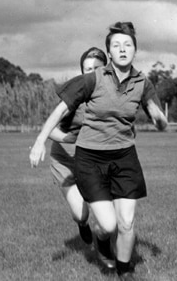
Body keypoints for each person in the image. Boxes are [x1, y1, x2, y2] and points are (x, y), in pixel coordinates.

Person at [30, 22, 167, 281]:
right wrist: (39, 141)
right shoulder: (92, 79)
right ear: (110, 53)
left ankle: (125, 273)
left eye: (128, 44)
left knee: (126, 223)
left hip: (125, 157)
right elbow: (59, 112)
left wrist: (160, 120)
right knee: (109, 225)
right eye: (116, 45)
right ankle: (102, 240)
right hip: (91, 158)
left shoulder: (142, 83)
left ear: (135, 51)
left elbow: (158, 119)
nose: (123, 49)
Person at [47, 47, 108, 246]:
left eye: (96, 68)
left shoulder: (112, 95)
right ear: (81, 71)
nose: (91, 72)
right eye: (87, 68)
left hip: (93, 162)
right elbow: (51, 129)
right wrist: (70, 139)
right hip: (65, 160)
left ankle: (107, 245)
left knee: (108, 215)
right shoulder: (74, 96)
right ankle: (82, 224)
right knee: (81, 214)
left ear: (106, 69)